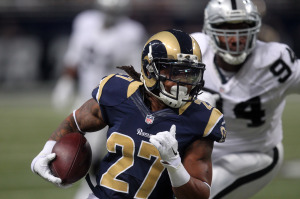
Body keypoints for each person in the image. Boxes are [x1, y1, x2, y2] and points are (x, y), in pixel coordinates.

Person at [31, 29, 226, 199]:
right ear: (150, 70)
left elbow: (199, 195)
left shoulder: (200, 119)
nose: (182, 83)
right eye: (174, 73)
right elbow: (75, 122)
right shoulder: (119, 93)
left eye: (189, 73)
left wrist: (174, 165)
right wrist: (45, 152)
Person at [192, 0, 300, 198]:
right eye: (226, 29)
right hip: (197, 151)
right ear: (210, 30)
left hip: (253, 155)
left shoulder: (275, 62)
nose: (234, 40)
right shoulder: (194, 51)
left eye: (243, 29)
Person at [50, 0, 147, 198]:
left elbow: (136, 71)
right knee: (70, 142)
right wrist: (66, 80)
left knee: (93, 149)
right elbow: (74, 53)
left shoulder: (132, 32)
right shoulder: (85, 21)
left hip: (108, 99)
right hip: (83, 94)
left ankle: (88, 189)